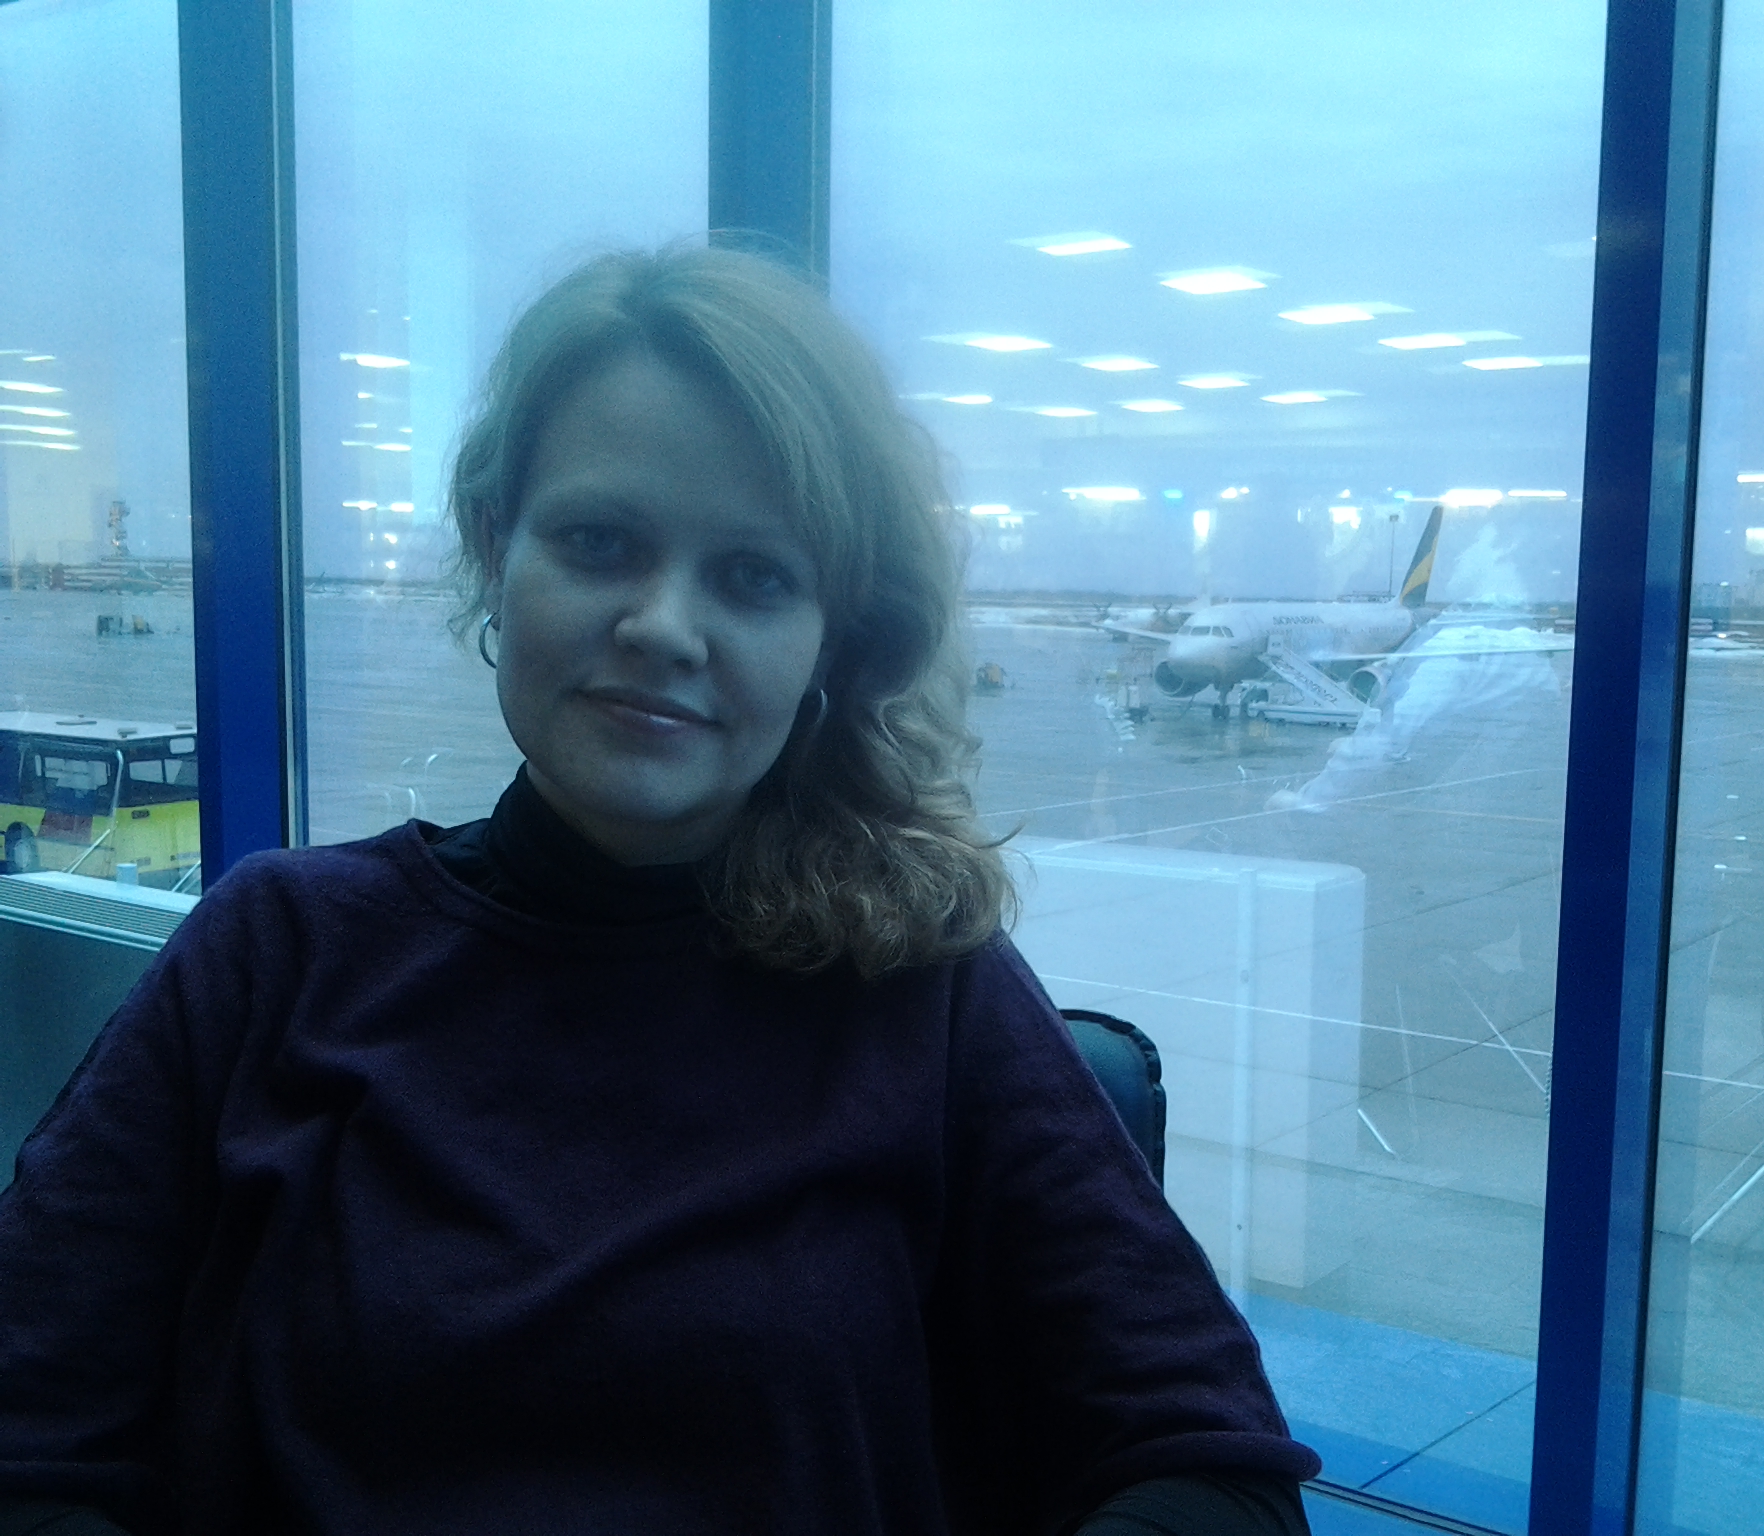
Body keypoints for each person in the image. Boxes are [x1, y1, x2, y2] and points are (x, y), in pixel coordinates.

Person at [0, 246, 1319, 1535]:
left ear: (831, 639)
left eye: (753, 577)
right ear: (495, 548)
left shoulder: (923, 986)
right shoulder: (274, 953)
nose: (663, 627)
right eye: (600, 542)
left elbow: (1212, 1467)